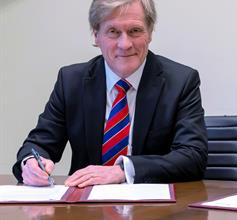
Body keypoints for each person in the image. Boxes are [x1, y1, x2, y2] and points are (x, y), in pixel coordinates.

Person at [12, 0, 207, 187]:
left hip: (155, 208)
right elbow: (39, 144)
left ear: (150, 33)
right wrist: (30, 163)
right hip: (85, 207)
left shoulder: (181, 82)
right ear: (96, 35)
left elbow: (192, 157)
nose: (125, 44)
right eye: (113, 32)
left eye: (135, 31)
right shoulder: (71, 81)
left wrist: (123, 171)